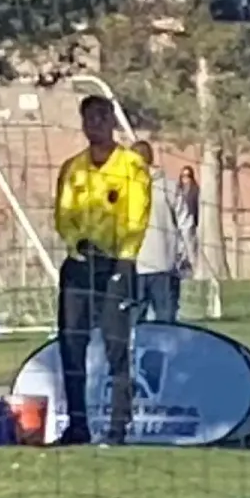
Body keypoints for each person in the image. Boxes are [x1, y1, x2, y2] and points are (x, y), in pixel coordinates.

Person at [53, 95, 151, 445]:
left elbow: (136, 215)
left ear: (111, 121)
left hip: (116, 265)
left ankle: (117, 426)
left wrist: (124, 257)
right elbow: (63, 215)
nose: (94, 124)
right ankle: (77, 426)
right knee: (71, 344)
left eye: (100, 117)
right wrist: (78, 241)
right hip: (80, 265)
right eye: (88, 119)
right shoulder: (73, 168)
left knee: (116, 345)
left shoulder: (131, 166)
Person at [132, 140, 195, 323]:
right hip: (162, 265)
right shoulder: (169, 186)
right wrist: (189, 255)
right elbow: (186, 223)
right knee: (166, 325)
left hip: (136, 266)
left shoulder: (125, 188)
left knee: (134, 328)